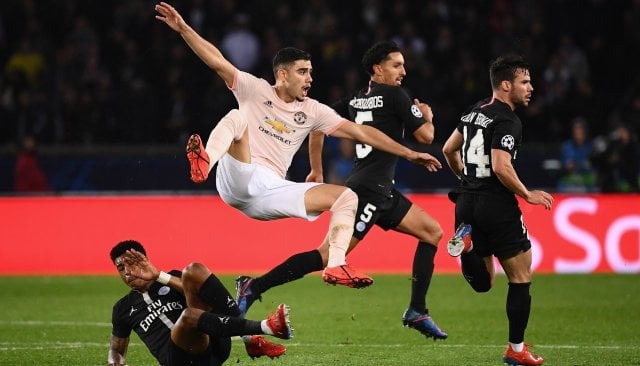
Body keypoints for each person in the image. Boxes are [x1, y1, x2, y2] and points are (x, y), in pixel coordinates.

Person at [154, 2, 441, 289]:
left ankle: (336, 264)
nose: (310, 79)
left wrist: (409, 153)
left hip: (269, 192)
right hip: (239, 175)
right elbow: (216, 61)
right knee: (236, 117)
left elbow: (362, 133)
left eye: (311, 72)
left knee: (347, 198)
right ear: (282, 75)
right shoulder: (255, 89)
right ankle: (206, 161)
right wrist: (183, 29)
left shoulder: (314, 111)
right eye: (303, 72)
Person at [233, 41, 447, 340]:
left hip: (379, 189)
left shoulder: (356, 98)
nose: (403, 71)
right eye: (396, 65)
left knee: (432, 232)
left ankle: (417, 310)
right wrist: (427, 116)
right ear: (378, 69)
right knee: (326, 256)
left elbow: (317, 127)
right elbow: (425, 136)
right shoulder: (398, 95)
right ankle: (253, 287)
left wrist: (316, 168)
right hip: (369, 193)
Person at [442, 54, 553, 365]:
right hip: (496, 204)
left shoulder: (474, 112)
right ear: (506, 85)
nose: (531, 87)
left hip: (465, 201)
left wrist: (466, 178)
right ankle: (516, 350)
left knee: (484, 283)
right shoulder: (508, 120)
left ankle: (467, 248)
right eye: (524, 82)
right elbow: (502, 166)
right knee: (520, 275)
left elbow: (448, 149)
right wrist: (527, 194)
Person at [107, 240, 292, 365]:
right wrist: (115, 362)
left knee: (193, 270)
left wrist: (159, 276)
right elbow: (116, 349)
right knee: (188, 316)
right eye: (121, 268)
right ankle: (266, 327)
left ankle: (249, 340)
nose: (127, 272)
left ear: (145, 261)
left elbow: (196, 293)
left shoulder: (171, 278)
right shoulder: (123, 308)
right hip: (179, 360)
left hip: (214, 345)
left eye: (132, 264)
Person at [557, 117, 596, 193]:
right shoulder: (567, 146)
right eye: (576, 130)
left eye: (580, 129)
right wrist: (580, 163)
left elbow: (594, 166)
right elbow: (569, 165)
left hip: (588, 183)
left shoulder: (591, 146)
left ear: (585, 131)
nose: (578, 132)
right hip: (571, 182)